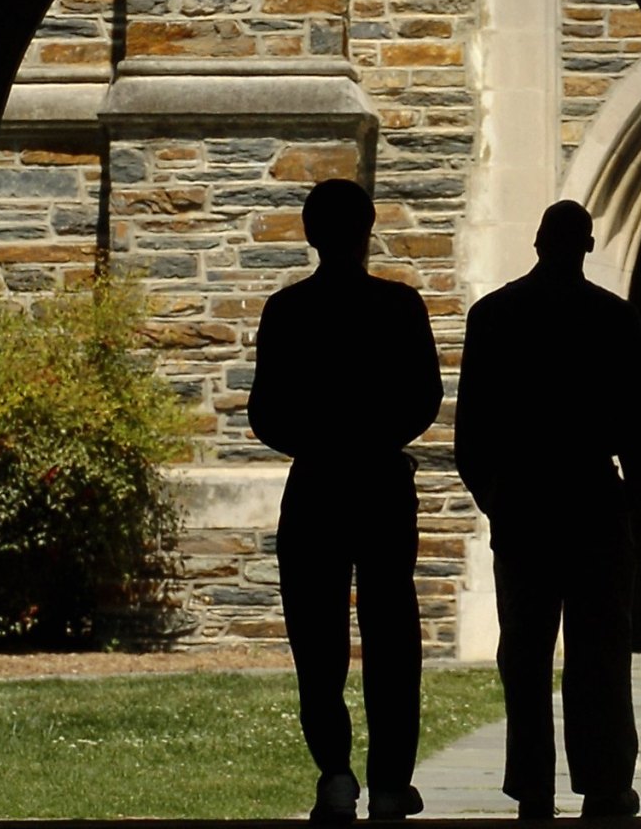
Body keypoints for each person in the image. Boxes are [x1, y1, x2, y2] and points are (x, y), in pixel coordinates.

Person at [250, 178, 445, 824]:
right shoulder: (400, 307)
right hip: (381, 485)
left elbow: (265, 414)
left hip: (317, 484)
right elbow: (423, 398)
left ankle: (335, 772)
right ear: (368, 230)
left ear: (310, 234)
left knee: (317, 637)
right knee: (392, 633)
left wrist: (322, 440)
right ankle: (392, 780)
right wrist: (373, 436)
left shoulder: (288, 311)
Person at [455, 201, 641, 821]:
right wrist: (634, 514)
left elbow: (470, 439)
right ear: (587, 246)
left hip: (527, 504)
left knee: (526, 654)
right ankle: (604, 780)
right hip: (590, 500)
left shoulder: (494, 317)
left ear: (537, 242)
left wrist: (501, 501)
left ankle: (534, 784)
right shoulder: (615, 320)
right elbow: (639, 435)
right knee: (599, 654)